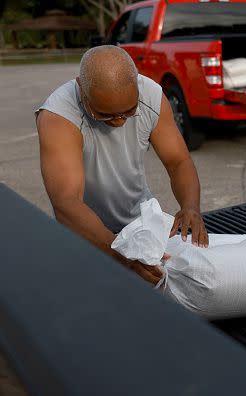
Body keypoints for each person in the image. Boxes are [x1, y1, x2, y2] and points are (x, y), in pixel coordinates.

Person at [36, 45, 209, 285]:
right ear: (81, 90)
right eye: (104, 115)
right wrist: (120, 254)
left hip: (138, 224)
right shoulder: (58, 116)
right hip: (85, 232)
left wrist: (190, 206)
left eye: (129, 112)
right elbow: (66, 200)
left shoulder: (151, 96)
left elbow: (178, 161)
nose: (118, 121)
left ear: (137, 85)